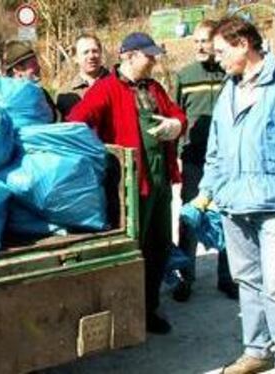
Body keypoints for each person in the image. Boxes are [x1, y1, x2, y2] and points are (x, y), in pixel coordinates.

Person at [194, 16, 275, 374]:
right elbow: (216, 148)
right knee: (247, 279)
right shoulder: (230, 89)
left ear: (243, 43)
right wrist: (205, 192)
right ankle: (257, 350)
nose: (215, 59)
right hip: (233, 203)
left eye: (220, 51)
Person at [67, 32, 187, 335]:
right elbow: (76, 120)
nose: (154, 59)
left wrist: (176, 125)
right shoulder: (106, 89)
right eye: (149, 55)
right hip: (132, 189)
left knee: (159, 248)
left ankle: (149, 310)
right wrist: (98, 157)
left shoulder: (154, 88)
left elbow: (178, 116)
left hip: (160, 185)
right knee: (134, 251)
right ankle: (125, 314)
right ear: (130, 56)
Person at [171, 19, 238, 302]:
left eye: (204, 41)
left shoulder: (230, 74)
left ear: (216, 43)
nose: (199, 46)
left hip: (227, 161)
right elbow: (176, 117)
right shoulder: (185, 75)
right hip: (195, 159)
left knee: (227, 217)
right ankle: (186, 278)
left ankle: (227, 277)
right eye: (195, 41)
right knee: (190, 217)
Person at [56, 33, 109, 118]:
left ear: (101, 53)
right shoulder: (65, 94)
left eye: (95, 51)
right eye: (86, 52)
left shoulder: (117, 84)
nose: (91, 56)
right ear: (75, 58)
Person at [2, 40, 58, 119]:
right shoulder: (4, 101)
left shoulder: (42, 94)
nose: (39, 67)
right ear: (18, 69)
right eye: (33, 64)